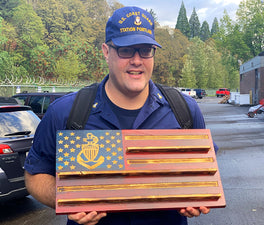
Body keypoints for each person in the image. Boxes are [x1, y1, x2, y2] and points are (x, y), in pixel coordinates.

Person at [24, 6, 215, 225]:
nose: (137, 60)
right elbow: (35, 175)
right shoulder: (67, 112)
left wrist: (198, 195)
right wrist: (66, 199)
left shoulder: (184, 109)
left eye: (145, 50)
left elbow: (206, 169)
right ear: (106, 51)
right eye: (126, 50)